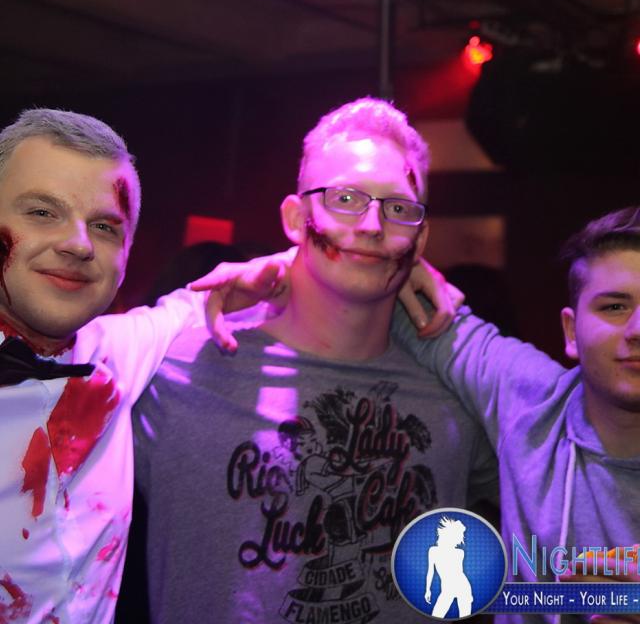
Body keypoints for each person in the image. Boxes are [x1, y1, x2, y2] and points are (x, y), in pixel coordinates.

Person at [132, 98, 498, 623]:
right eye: (345, 198)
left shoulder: (456, 398)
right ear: (295, 217)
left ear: (420, 238)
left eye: (398, 208)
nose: (371, 225)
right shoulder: (178, 372)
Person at [195, 205, 640, 624]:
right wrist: (295, 268)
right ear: (570, 330)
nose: (637, 330)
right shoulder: (532, 401)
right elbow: (402, 311)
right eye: (615, 307)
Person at [0, 108, 210, 624]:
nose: (79, 244)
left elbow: (202, 301)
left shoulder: (114, 352)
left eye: (103, 226)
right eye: (42, 212)